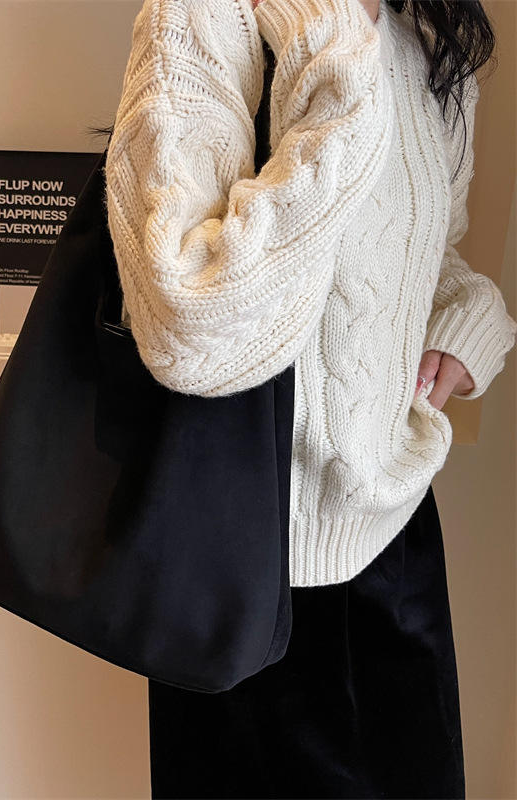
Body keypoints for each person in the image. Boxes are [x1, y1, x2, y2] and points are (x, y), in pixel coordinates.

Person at [101, 0, 517, 796]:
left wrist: (465, 323)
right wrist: (334, 71)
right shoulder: (207, 14)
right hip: (248, 563)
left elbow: (422, 248)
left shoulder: (430, 30)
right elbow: (186, 320)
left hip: (394, 534)